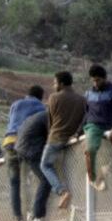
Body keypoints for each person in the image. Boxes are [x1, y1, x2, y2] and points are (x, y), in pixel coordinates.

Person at [41, 71, 85, 211]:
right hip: (73, 140)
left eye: (55, 83)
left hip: (56, 137)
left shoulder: (54, 97)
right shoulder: (81, 99)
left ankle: (62, 191)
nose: (54, 86)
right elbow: (84, 120)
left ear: (61, 83)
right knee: (67, 169)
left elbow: (50, 121)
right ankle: (75, 200)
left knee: (45, 165)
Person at [3, 86, 45, 221]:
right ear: (41, 97)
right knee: (31, 178)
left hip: (9, 142)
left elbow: (10, 123)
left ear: (27, 94)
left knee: (14, 182)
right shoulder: (40, 106)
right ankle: (31, 213)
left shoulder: (16, 104)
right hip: (26, 143)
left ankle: (17, 219)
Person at [83, 65, 112, 191]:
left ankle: (109, 168)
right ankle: (93, 179)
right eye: (94, 80)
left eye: (98, 80)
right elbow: (85, 113)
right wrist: (78, 130)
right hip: (93, 126)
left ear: (105, 78)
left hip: (110, 126)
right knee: (90, 150)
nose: (96, 83)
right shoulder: (88, 93)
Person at [14, 110, 52, 221]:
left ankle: (33, 214)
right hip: (30, 149)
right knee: (46, 179)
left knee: (42, 179)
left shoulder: (40, 116)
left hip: (22, 148)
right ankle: (36, 217)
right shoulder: (48, 117)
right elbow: (53, 136)